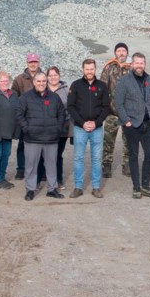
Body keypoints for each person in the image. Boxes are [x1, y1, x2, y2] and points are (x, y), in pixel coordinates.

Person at [114, 52, 150, 199]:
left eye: (142, 63)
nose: (139, 66)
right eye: (137, 63)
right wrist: (126, 120)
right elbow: (118, 103)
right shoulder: (124, 81)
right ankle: (136, 187)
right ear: (132, 64)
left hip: (148, 125)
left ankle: (146, 185)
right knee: (133, 156)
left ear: (145, 64)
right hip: (132, 125)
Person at [15, 73, 67, 201]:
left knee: (51, 164)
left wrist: (57, 128)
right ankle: (30, 189)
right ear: (34, 82)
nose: (41, 83)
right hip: (32, 138)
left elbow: (62, 114)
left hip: (51, 138)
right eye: (38, 81)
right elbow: (19, 115)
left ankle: (52, 189)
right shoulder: (26, 97)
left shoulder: (54, 97)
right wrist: (27, 129)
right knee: (31, 165)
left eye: (44, 81)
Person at [66, 59, 110, 198]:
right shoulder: (76, 85)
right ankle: (78, 187)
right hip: (80, 128)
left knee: (97, 158)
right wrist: (82, 122)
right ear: (82, 69)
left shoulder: (102, 86)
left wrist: (96, 123)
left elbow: (106, 107)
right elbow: (71, 107)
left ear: (95, 69)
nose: (89, 71)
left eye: (92, 69)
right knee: (79, 158)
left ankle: (96, 187)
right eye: (87, 69)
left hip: (96, 129)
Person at [100, 43, 131, 179]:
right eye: (119, 51)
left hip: (128, 113)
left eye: (123, 50)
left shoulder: (132, 68)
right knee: (108, 140)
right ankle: (106, 164)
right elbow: (102, 88)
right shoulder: (109, 67)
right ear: (115, 53)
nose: (121, 53)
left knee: (128, 140)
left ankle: (127, 164)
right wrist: (105, 108)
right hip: (111, 112)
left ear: (127, 53)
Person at [11, 53, 44, 181]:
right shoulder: (19, 79)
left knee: (41, 145)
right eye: (31, 62)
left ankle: (41, 170)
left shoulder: (43, 77)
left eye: (35, 61)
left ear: (38, 63)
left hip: (41, 118)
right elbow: (14, 96)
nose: (33, 64)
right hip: (24, 118)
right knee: (22, 145)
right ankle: (21, 169)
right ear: (27, 63)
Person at [0, 71, 20, 190]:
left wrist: (16, 130)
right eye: (2, 81)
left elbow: (17, 112)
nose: (5, 83)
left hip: (9, 131)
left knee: (6, 154)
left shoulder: (14, 94)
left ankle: (2, 177)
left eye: (6, 80)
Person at [45, 66, 71, 190]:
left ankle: (58, 180)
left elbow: (71, 107)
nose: (53, 77)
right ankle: (43, 177)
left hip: (62, 127)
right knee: (44, 154)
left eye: (55, 75)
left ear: (59, 76)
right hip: (46, 127)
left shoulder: (66, 89)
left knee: (58, 154)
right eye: (50, 75)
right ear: (47, 77)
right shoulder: (42, 89)